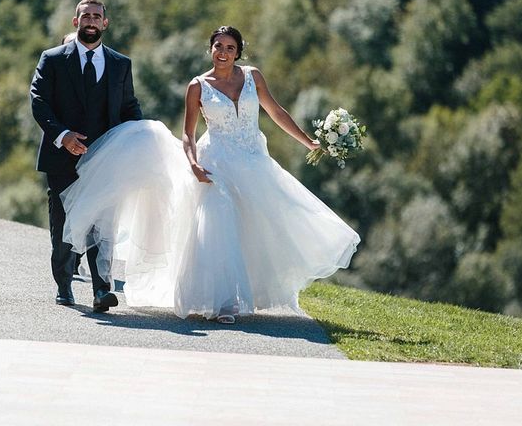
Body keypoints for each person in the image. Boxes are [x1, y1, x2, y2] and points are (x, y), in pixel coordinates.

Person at [60, 26, 359, 324]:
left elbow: (276, 111)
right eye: (218, 46)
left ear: (238, 52)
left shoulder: (253, 76)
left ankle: (245, 292)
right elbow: (188, 134)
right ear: (211, 49)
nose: (223, 52)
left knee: (259, 224)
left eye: (230, 47)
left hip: (254, 159)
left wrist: (309, 141)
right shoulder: (198, 86)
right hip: (215, 162)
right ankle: (223, 302)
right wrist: (193, 164)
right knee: (219, 227)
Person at [30, 0, 142, 312]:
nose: (91, 21)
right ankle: (64, 285)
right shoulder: (52, 59)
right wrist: (62, 136)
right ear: (75, 22)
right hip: (62, 157)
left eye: (96, 16)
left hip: (106, 157)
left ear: (105, 23)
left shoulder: (121, 64)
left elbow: (129, 106)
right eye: (85, 16)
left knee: (101, 223)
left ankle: (101, 289)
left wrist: (141, 135)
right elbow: (39, 100)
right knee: (63, 223)